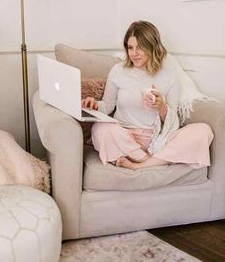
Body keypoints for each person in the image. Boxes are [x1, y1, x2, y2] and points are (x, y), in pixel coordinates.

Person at [82, 20, 214, 170]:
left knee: (203, 131)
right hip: (126, 135)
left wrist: (161, 107)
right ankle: (152, 162)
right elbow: (107, 106)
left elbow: (173, 121)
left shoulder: (170, 74)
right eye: (130, 48)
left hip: (159, 139)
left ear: (152, 46)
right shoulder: (118, 71)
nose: (134, 53)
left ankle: (139, 165)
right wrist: (94, 105)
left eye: (139, 48)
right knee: (100, 129)